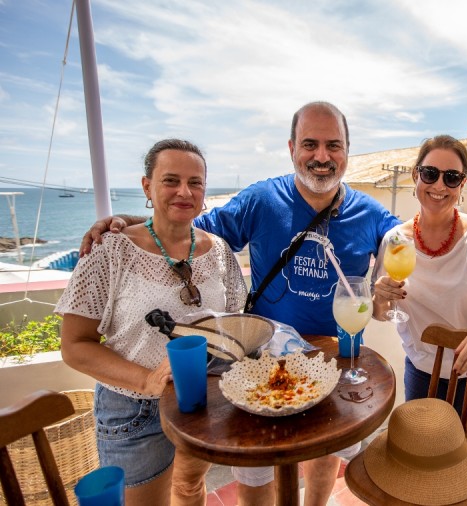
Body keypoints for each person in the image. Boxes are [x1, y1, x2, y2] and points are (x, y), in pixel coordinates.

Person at [79, 102, 400, 506]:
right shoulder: (263, 199)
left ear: (347, 150)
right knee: (256, 465)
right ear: (291, 148)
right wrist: (126, 221)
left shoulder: (370, 213)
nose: (322, 156)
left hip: (336, 360)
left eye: (333, 145)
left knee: (326, 454)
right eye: (310, 144)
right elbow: (186, 226)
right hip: (261, 363)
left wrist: (391, 286)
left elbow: (411, 243)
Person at [57, 139, 247, 506]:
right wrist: (146, 380)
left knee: (190, 488)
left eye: (195, 182)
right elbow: (74, 346)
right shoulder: (110, 250)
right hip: (133, 408)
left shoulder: (220, 251)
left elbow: (234, 325)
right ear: (147, 187)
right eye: (170, 180)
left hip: (203, 402)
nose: (184, 191)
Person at [371, 134, 467, 430]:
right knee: (422, 460)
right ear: (416, 177)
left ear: (462, 186)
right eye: (430, 174)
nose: (439, 186)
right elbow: (382, 313)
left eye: (451, 178)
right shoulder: (396, 241)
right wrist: (380, 299)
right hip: (422, 372)